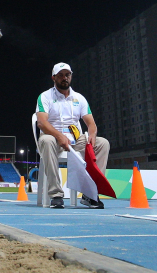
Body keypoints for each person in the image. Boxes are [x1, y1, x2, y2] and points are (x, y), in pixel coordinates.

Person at [36, 63, 110, 209]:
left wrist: (92, 134)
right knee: (46, 139)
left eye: (67, 75)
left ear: (71, 76)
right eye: (61, 75)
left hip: (76, 139)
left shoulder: (79, 98)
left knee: (103, 143)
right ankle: (56, 194)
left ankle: (90, 194)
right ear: (54, 78)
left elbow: (91, 124)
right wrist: (59, 136)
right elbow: (42, 123)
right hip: (54, 138)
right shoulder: (45, 96)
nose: (65, 78)